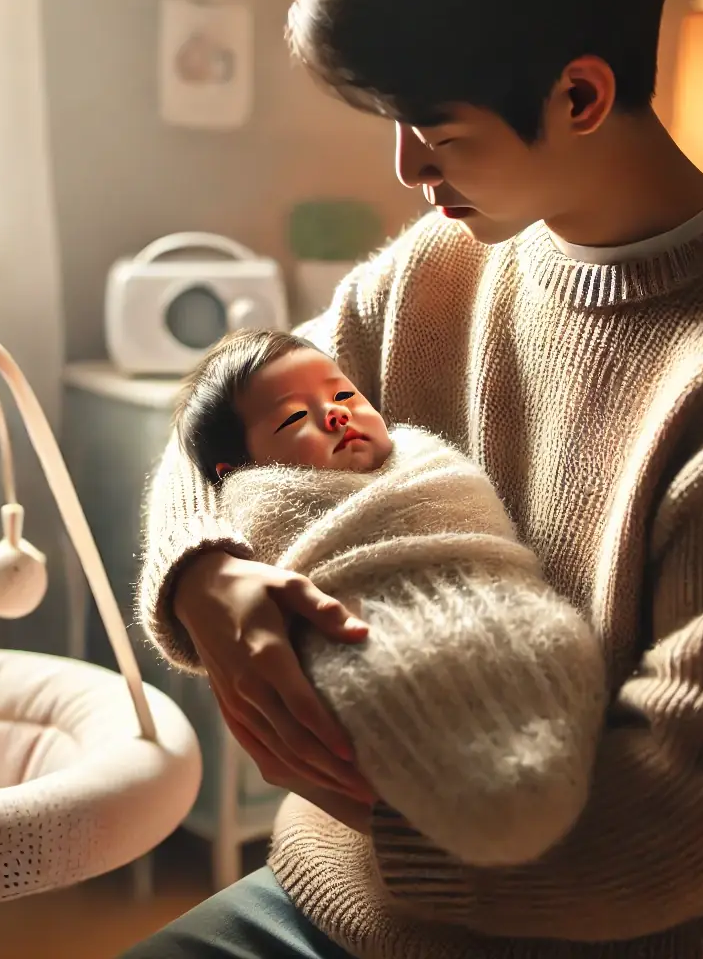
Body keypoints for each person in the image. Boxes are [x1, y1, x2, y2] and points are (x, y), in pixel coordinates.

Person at [122, 0, 703, 956]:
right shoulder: (436, 267)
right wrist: (204, 573)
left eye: (433, 126)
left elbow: (693, 815)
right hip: (320, 898)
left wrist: (398, 818)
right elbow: (220, 415)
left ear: (578, 95)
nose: (405, 164)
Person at [172, 328, 607, 869]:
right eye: (291, 419)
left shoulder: (421, 461)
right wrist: (199, 569)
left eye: (346, 396)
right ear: (239, 470)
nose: (335, 414)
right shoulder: (256, 496)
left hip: (500, 602)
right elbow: (189, 457)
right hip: (367, 640)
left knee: (544, 649)